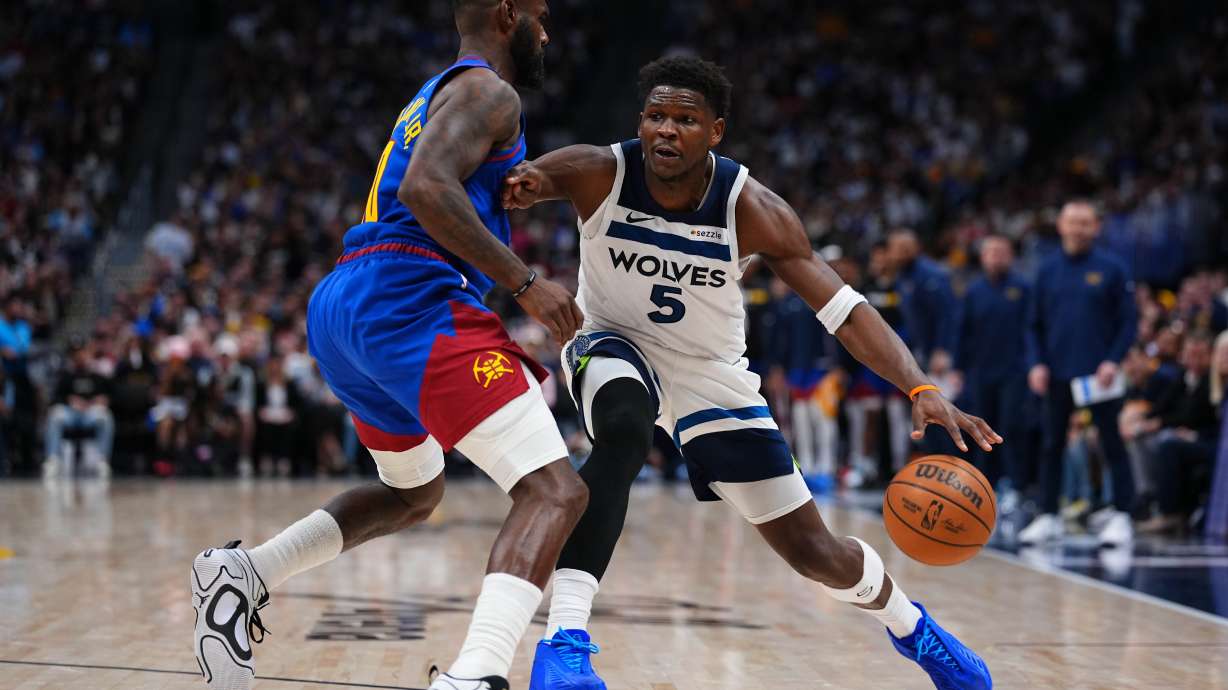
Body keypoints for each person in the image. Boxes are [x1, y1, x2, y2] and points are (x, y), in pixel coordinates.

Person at [504, 56, 1000, 690]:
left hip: (711, 373)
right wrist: (518, 227)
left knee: (815, 553)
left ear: (715, 131)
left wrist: (921, 387)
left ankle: (914, 630)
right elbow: (512, 188)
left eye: (685, 119)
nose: (666, 130)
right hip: (612, 342)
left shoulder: (753, 207)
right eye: (656, 116)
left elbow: (843, 309)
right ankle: (565, 642)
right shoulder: (597, 171)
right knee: (624, 429)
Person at [190, 4, 590, 690]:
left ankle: (245, 572)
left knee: (412, 492)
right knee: (555, 490)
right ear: (505, 13)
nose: (547, 28)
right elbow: (425, 186)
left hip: (350, 303)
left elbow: (432, 181)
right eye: (539, 12)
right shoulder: (492, 91)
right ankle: (476, 676)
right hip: (411, 297)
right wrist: (524, 283)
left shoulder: (437, 92)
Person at [1022, 200, 1138, 545]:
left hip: (1098, 375)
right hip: (1056, 372)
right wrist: (1036, 363)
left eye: (1085, 223)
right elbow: (1033, 324)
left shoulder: (1112, 268)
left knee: (1112, 442)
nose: (1078, 228)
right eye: (1072, 222)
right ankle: (1048, 515)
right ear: (1061, 225)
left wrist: (1113, 360)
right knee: (1052, 444)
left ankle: (1122, 514)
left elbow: (1128, 322)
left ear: (1096, 227)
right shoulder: (1046, 270)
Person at [955, 234, 1031, 506]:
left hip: (1014, 371)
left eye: (1002, 252)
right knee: (980, 429)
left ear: (1011, 256)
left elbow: (1031, 329)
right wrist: (958, 367)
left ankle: (1014, 486)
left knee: (1011, 427)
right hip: (980, 371)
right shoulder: (973, 291)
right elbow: (962, 332)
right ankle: (981, 485)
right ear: (983, 257)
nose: (997, 257)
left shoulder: (1023, 288)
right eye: (991, 252)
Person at [43, 342, 114, 478]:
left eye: (82, 353)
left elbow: (111, 394)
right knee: (55, 415)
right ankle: (52, 459)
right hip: (71, 414)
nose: (80, 357)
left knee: (105, 416)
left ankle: (102, 460)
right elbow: (54, 398)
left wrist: (102, 400)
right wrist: (69, 400)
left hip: (90, 414)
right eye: (76, 354)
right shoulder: (65, 375)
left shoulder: (97, 376)